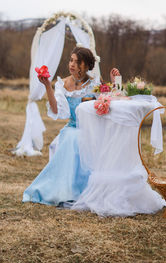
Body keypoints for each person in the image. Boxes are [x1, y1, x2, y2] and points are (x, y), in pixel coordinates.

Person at [22, 46, 120, 206]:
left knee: (78, 139)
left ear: (87, 65)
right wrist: (48, 86)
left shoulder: (95, 83)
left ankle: (86, 190)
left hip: (92, 129)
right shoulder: (63, 84)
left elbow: (110, 102)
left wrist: (114, 84)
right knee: (72, 138)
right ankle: (67, 190)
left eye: (77, 62)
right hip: (72, 128)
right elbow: (56, 111)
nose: (72, 64)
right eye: (71, 60)